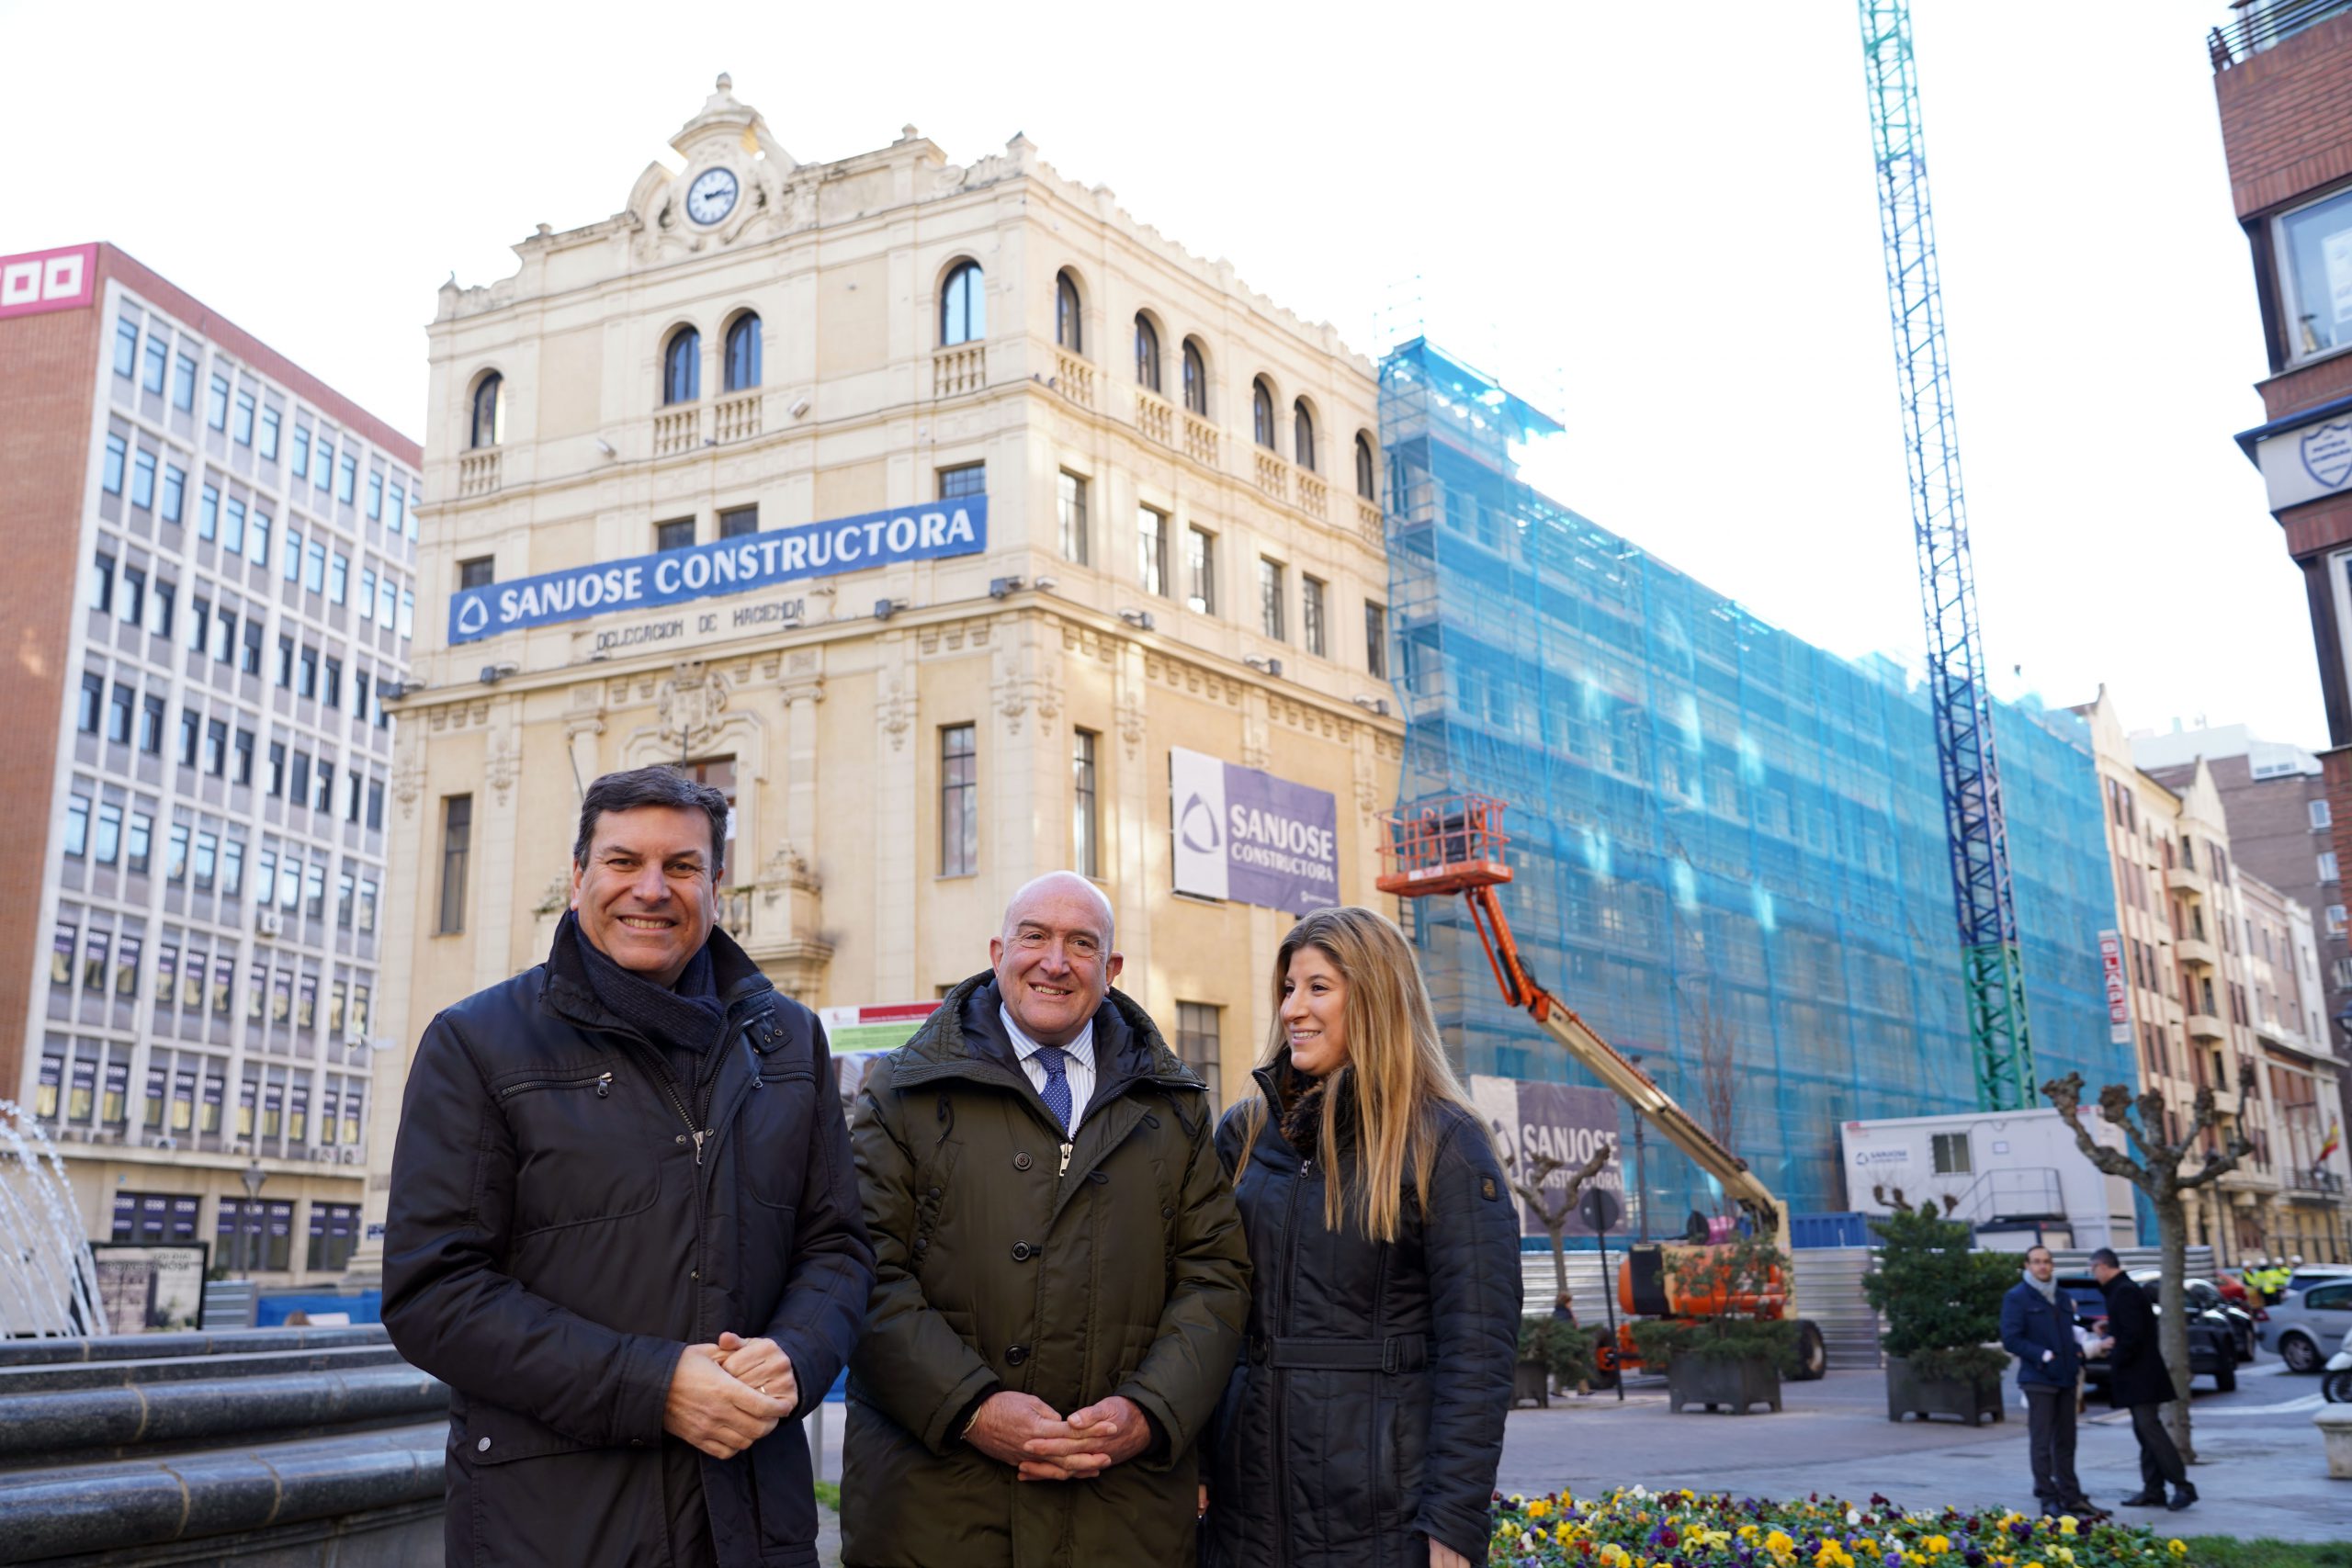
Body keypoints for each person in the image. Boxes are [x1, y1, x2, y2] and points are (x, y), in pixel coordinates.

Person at [382, 766, 876, 1567]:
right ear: (579, 873)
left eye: (681, 865)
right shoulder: (476, 1042)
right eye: (623, 861)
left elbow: (838, 1246)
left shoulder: (789, 1041)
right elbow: (432, 1291)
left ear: (716, 883)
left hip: (754, 1521)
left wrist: (797, 1350)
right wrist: (655, 1386)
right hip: (555, 1528)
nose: (651, 888)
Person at [842, 872, 1250, 1567]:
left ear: (1111, 970)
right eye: (1034, 936)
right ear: (999, 952)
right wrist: (971, 1408)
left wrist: (1149, 1411)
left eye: (1081, 944)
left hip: (1123, 1511)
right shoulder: (902, 1091)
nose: (1055, 962)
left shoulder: (1173, 1104)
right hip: (934, 1511)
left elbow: (1216, 1276)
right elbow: (862, 1269)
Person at [1201, 906, 1521, 1568]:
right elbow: (1206, 1311)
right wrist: (1197, 1460)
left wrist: (1454, 1522)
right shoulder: (1244, 1133)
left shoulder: (1445, 1144)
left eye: (1318, 987)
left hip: (1381, 1519)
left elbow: (1478, 1353)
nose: (1293, 1008)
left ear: (1375, 998)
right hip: (1245, 1516)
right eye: (1288, 987)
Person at [2091, 1247, 2196, 1511]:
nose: (2094, 1276)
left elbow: (2133, 1336)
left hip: (2140, 1376)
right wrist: (2110, 1331)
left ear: (2102, 1267)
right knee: (2145, 1433)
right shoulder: (2123, 1290)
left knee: (2151, 1431)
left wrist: (2112, 1349)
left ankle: (2183, 1486)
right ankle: (2153, 1490)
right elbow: (2131, 1328)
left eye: (2093, 1270)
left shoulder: (2123, 1292)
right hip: (2141, 1375)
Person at [1998, 1245, 2097, 1519]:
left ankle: (2071, 1497)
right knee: (2041, 1443)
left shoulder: (2062, 1297)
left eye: (2046, 1261)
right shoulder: (2016, 1297)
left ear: (2052, 1265)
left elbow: (2067, 1332)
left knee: (2067, 1441)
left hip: (2067, 1377)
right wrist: (2042, 1355)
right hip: (2038, 1378)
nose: (2042, 1266)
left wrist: (2077, 1351)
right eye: (2036, 1261)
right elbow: (2011, 1339)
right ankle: (2047, 1497)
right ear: (2027, 1266)